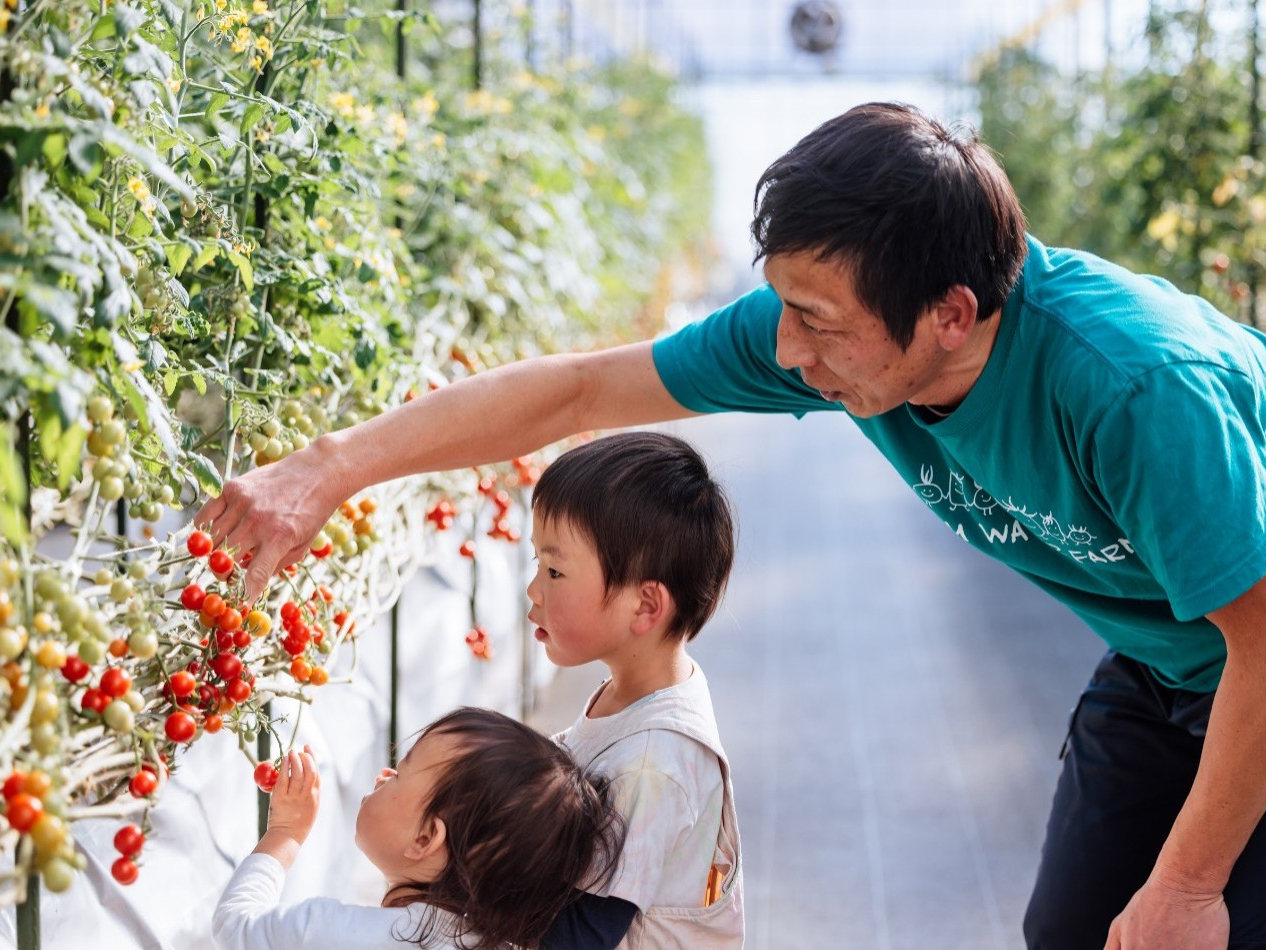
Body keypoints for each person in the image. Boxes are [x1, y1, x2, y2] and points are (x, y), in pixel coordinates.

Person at [196, 100, 1266, 949]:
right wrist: (332, 466)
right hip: (1168, 661)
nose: (788, 353)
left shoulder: (1135, 389)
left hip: (1253, 655)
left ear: (951, 312)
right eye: (785, 307)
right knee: (1074, 929)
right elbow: (575, 391)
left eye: (818, 323)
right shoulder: (837, 328)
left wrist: (1188, 881)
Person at [530, 432, 743, 949]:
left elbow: (584, 935)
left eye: (555, 570)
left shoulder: (653, 764)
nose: (534, 590)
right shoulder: (641, 689)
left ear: (646, 607)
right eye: (537, 564)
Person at [212, 707, 624, 950]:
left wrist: (284, 833)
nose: (385, 773)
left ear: (425, 839)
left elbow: (235, 927)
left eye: (401, 773)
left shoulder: (340, 934)